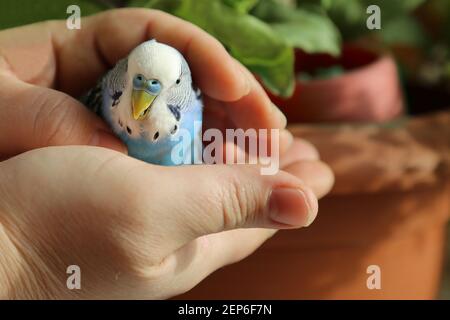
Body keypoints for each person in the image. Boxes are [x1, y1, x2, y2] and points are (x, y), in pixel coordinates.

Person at [0, 9, 334, 299]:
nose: (142, 97)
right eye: (137, 82)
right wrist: (23, 260)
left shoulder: (193, 114)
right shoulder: (104, 99)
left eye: (159, 86)